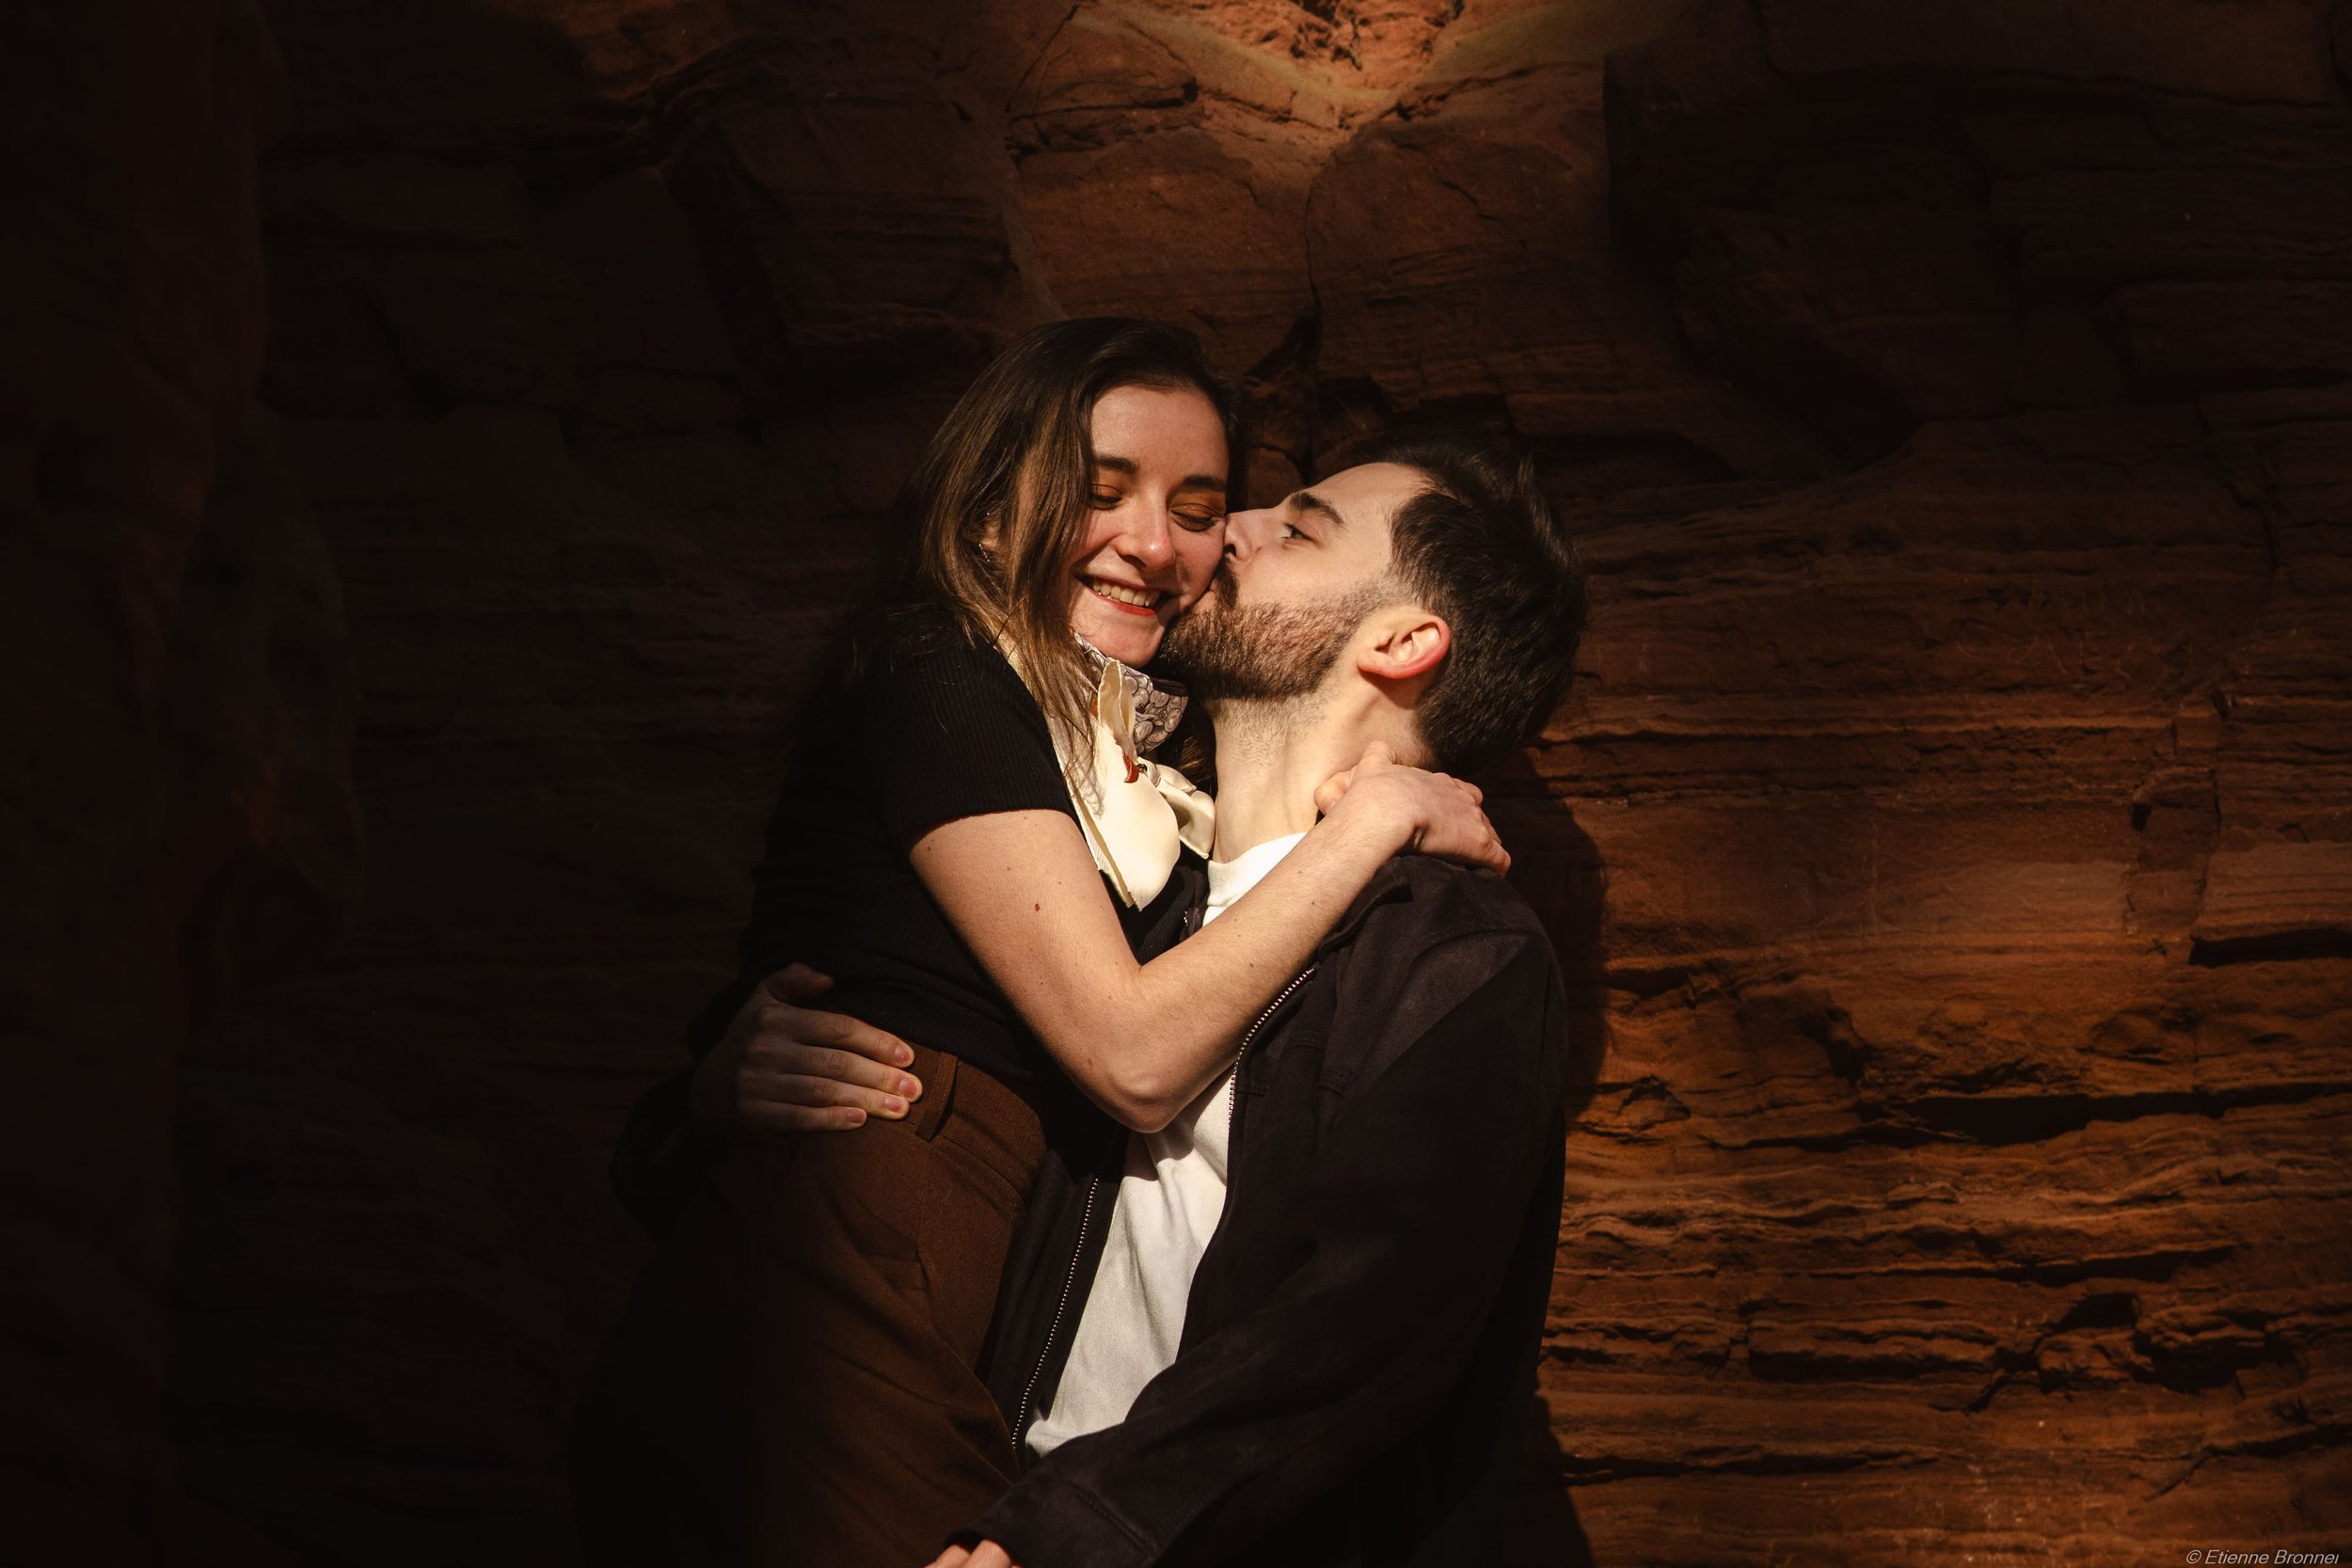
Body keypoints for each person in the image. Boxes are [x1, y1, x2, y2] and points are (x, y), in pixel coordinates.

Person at [571, 319, 1508, 1568]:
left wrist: (708, 1089)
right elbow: (1130, 1052)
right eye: (1101, 488)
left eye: (1199, 503)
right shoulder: (941, 679)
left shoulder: (1139, 777)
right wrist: (1376, 816)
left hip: (956, 1263)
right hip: (874, 1218)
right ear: (994, 504)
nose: (1162, 545)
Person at [764, 431, 1587, 1568]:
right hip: (973, 1500)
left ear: (1403, 641)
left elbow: (1358, 1333)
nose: (1225, 533)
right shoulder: (1128, 907)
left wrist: (1067, 1534)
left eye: (1297, 527)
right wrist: (724, 1076)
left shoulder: (1454, 954)